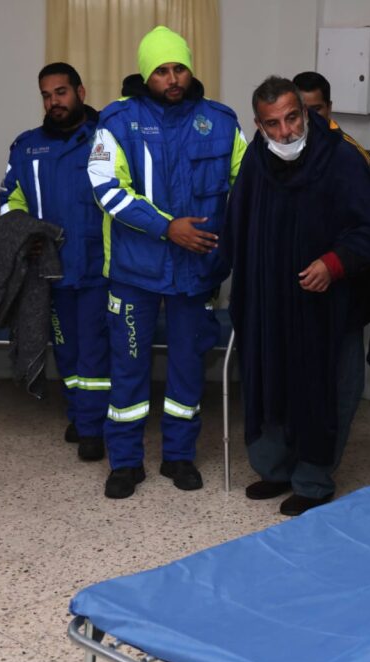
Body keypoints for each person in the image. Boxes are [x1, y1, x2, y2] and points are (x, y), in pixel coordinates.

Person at [88, 26, 247, 498]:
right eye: (161, 71)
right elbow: (105, 189)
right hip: (135, 270)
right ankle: (125, 462)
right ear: (145, 75)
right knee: (128, 365)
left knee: (187, 366)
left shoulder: (221, 121)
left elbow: (246, 185)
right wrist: (166, 226)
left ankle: (179, 456)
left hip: (196, 270)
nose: (173, 78)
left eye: (179, 68)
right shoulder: (117, 121)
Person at [226, 76, 370, 515]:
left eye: (293, 118)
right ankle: (274, 469)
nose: (286, 131)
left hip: (325, 306)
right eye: (273, 124)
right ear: (258, 125)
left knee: (325, 390)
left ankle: (313, 480)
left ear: (306, 113)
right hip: (269, 302)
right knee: (268, 381)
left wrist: (334, 263)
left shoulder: (342, 158)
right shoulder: (255, 160)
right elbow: (237, 225)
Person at [0, 62, 110, 462]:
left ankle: (92, 427)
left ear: (80, 92)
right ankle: (80, 415)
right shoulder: (27, 146)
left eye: (61, 92)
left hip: (99, 269)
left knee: (94, 353)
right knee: (65, 352)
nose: (53, 102)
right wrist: (22, 234)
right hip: (52, 270)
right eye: (46, 96)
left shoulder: (106, 138)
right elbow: (10, 200)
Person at [292, 71, 370, 168]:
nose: (309, 116)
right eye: (302, 109)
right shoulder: (284, 144)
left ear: (329, 107)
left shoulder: (352, 154)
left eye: (316, 109)